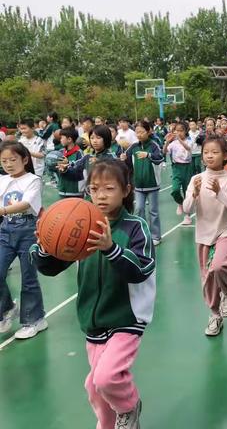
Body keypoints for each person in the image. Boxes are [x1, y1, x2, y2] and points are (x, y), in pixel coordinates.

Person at [31, 159, 155, 429]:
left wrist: (111, 248)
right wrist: (44, 247)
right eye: (94, 188)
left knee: (107, 377)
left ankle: (129, 407)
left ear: (126, 191)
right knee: (94, 385)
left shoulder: (135, 228)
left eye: (109, 188)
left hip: (127, 317)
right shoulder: (80, 225)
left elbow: (142, 269)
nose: (100, 195)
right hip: (92, 319)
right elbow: (51, 267)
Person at [183, 135, 227, 336]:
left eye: (215, 152)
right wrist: (194, 194)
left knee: (218, 267)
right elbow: (186, 209)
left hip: (226, 231)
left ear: (225, 155)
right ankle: (215, 315)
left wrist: (220, 193)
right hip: (204, 234)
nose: (209, 156)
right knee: (207, 279)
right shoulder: (196, 179)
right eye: (206, 152)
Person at [0, 140, 46, 339]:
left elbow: (27, 203)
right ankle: (8, 308)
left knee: (28, 278)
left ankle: (35, 320)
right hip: (5, 229)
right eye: (4, 161)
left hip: (28, 231)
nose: (8, 164)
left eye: (13, 159)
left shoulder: (33, 180)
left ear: (25, 159)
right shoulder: (1, 180)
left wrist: (3, 210)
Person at [122, 121, 164, 246]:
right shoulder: (133, 147)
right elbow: (127, 161)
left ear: (148, 131)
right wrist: (124, 158)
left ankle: (156, 236)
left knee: (153, 211)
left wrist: (148, 155)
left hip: (152, 184)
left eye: (142, 132)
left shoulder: (153, 145)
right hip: (139, 185)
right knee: (139, 209)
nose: (139, 134)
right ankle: (143, 234)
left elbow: (160, 157)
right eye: (137, 132)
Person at [163, 122, 193, 225]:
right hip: (176, 167)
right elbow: (164, 151)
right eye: (177, 130)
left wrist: (179, 139)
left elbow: (188, 148)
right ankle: (180, 203)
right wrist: (167, 142)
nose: (179, 133)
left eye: (181, 130)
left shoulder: (189, 140)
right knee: (175, 190)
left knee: (187, 191)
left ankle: (187, 216)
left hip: (187, 167)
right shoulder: (173, 143)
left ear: (185, 131)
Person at [57, 127, 84, 198]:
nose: (60, 140)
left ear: (69, 139)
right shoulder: (60, 152)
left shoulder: (79, 153)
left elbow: (80, 172)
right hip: (62, 189)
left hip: (75, 191)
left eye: (62, 137)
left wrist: (68, 165)